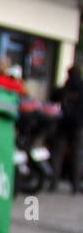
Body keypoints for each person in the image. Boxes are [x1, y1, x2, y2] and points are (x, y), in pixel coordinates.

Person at [49, 65, 82, 194]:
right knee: (76, 155)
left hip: (64, 125)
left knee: (58, 154)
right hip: (77, 126)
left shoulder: (66, 88)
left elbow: (53, 96)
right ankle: (75, 185)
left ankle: (54, 182)